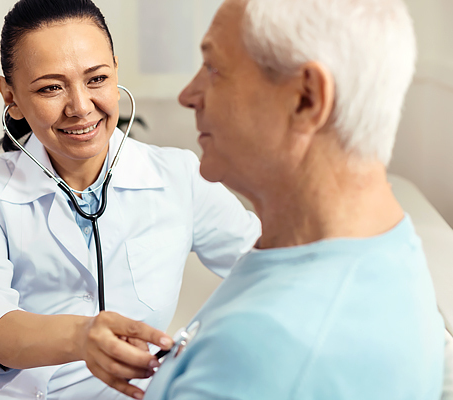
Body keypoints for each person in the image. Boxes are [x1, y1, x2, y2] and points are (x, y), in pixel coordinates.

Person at [0, 1, 261, 399]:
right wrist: (81, 337)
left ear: (116, 70)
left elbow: (268, 264)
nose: (80, 107)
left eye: (96, 79)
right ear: (10, 96)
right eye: (51, 87)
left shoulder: (179, 177)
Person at [144, 0, 445, 398]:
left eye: (214, 68)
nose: (189, 94)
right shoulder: (384, 241)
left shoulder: (266, 355)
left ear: (306, 99)